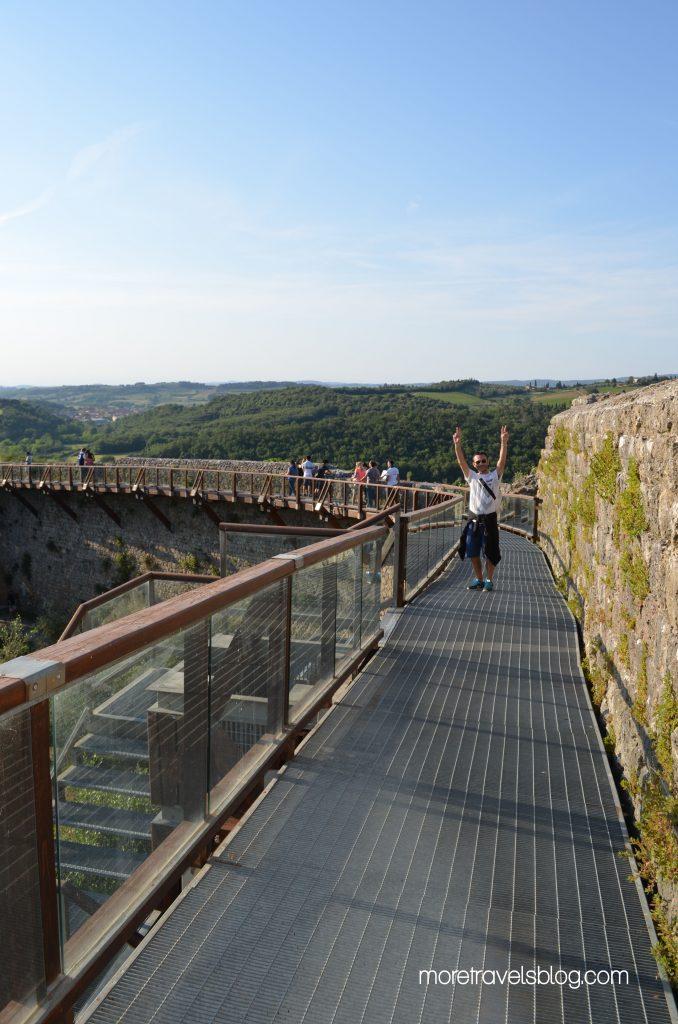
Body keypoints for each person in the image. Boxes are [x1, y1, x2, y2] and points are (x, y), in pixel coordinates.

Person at [453, 424, 509, 592]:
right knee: (472, 551)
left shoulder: (495, 476)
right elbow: (461, 461)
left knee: (490, 552)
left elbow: (502, 461)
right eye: (478, 462)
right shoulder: (471, 476)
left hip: (490, 519)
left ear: (488, 462)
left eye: (484, 461)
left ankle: (489, 580)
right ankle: (478, 579)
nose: (481, 463)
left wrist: (504, 443)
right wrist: (457, 445)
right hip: (474, 520)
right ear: (474, 464)